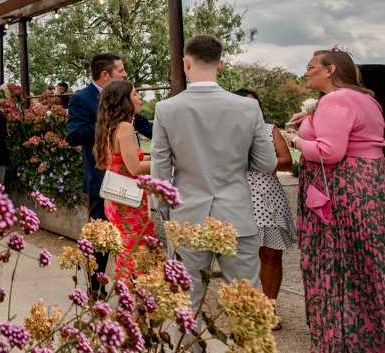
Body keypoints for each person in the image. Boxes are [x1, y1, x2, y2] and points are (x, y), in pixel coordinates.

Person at [151, 35, 277, 314]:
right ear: (220, 65)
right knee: (245, 301)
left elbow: (160, 171)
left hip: (187, 214)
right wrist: (234, 160)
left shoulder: (166, 109)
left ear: (185, 63)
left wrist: (167, 211)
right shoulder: (248, 107)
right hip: (236, 214)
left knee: (186, 303)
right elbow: (267, 162)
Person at [281, 49, 385, 350]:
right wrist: (312, 116)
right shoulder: (364, 98)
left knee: (336, 263)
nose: (305, 72)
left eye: (310, 66)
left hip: (343, 191)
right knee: (363, 263)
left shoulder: (336, 101)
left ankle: (340, 339)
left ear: (331, 70)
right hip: (365, 188)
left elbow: (329, 151)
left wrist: (294, 140)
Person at [66, 52, 153, 286]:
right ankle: (96, 290)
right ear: (106, 74)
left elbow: (145, 126)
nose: (125, 74)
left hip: (130, 180)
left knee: (130, 242)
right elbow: (74, 135)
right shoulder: (81, 98)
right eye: (120, 70)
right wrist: (109, 121)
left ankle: (131, 286)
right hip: (102, 180)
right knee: (102, 241)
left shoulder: (126, 100)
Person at [232, 88, 295, 317]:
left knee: (271, 256)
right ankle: (246, 308)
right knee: (240, 257)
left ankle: (268, 309)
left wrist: (254, 162)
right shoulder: (224, 132)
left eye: (255, 104)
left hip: (268, 199)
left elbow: (287, 161)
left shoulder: (269, 130)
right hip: (236, 198)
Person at [93, 80, 155, 284]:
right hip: (129, 202)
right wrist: (164, 163)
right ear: (123, 100)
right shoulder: (125, 127)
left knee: (126, 252)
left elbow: (122, 162)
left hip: (116, 199)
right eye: (135, 94)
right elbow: (134, 167)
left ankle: (127, 295)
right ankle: (134, 298)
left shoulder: (109, 126)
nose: (140, 97)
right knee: (137, 253)